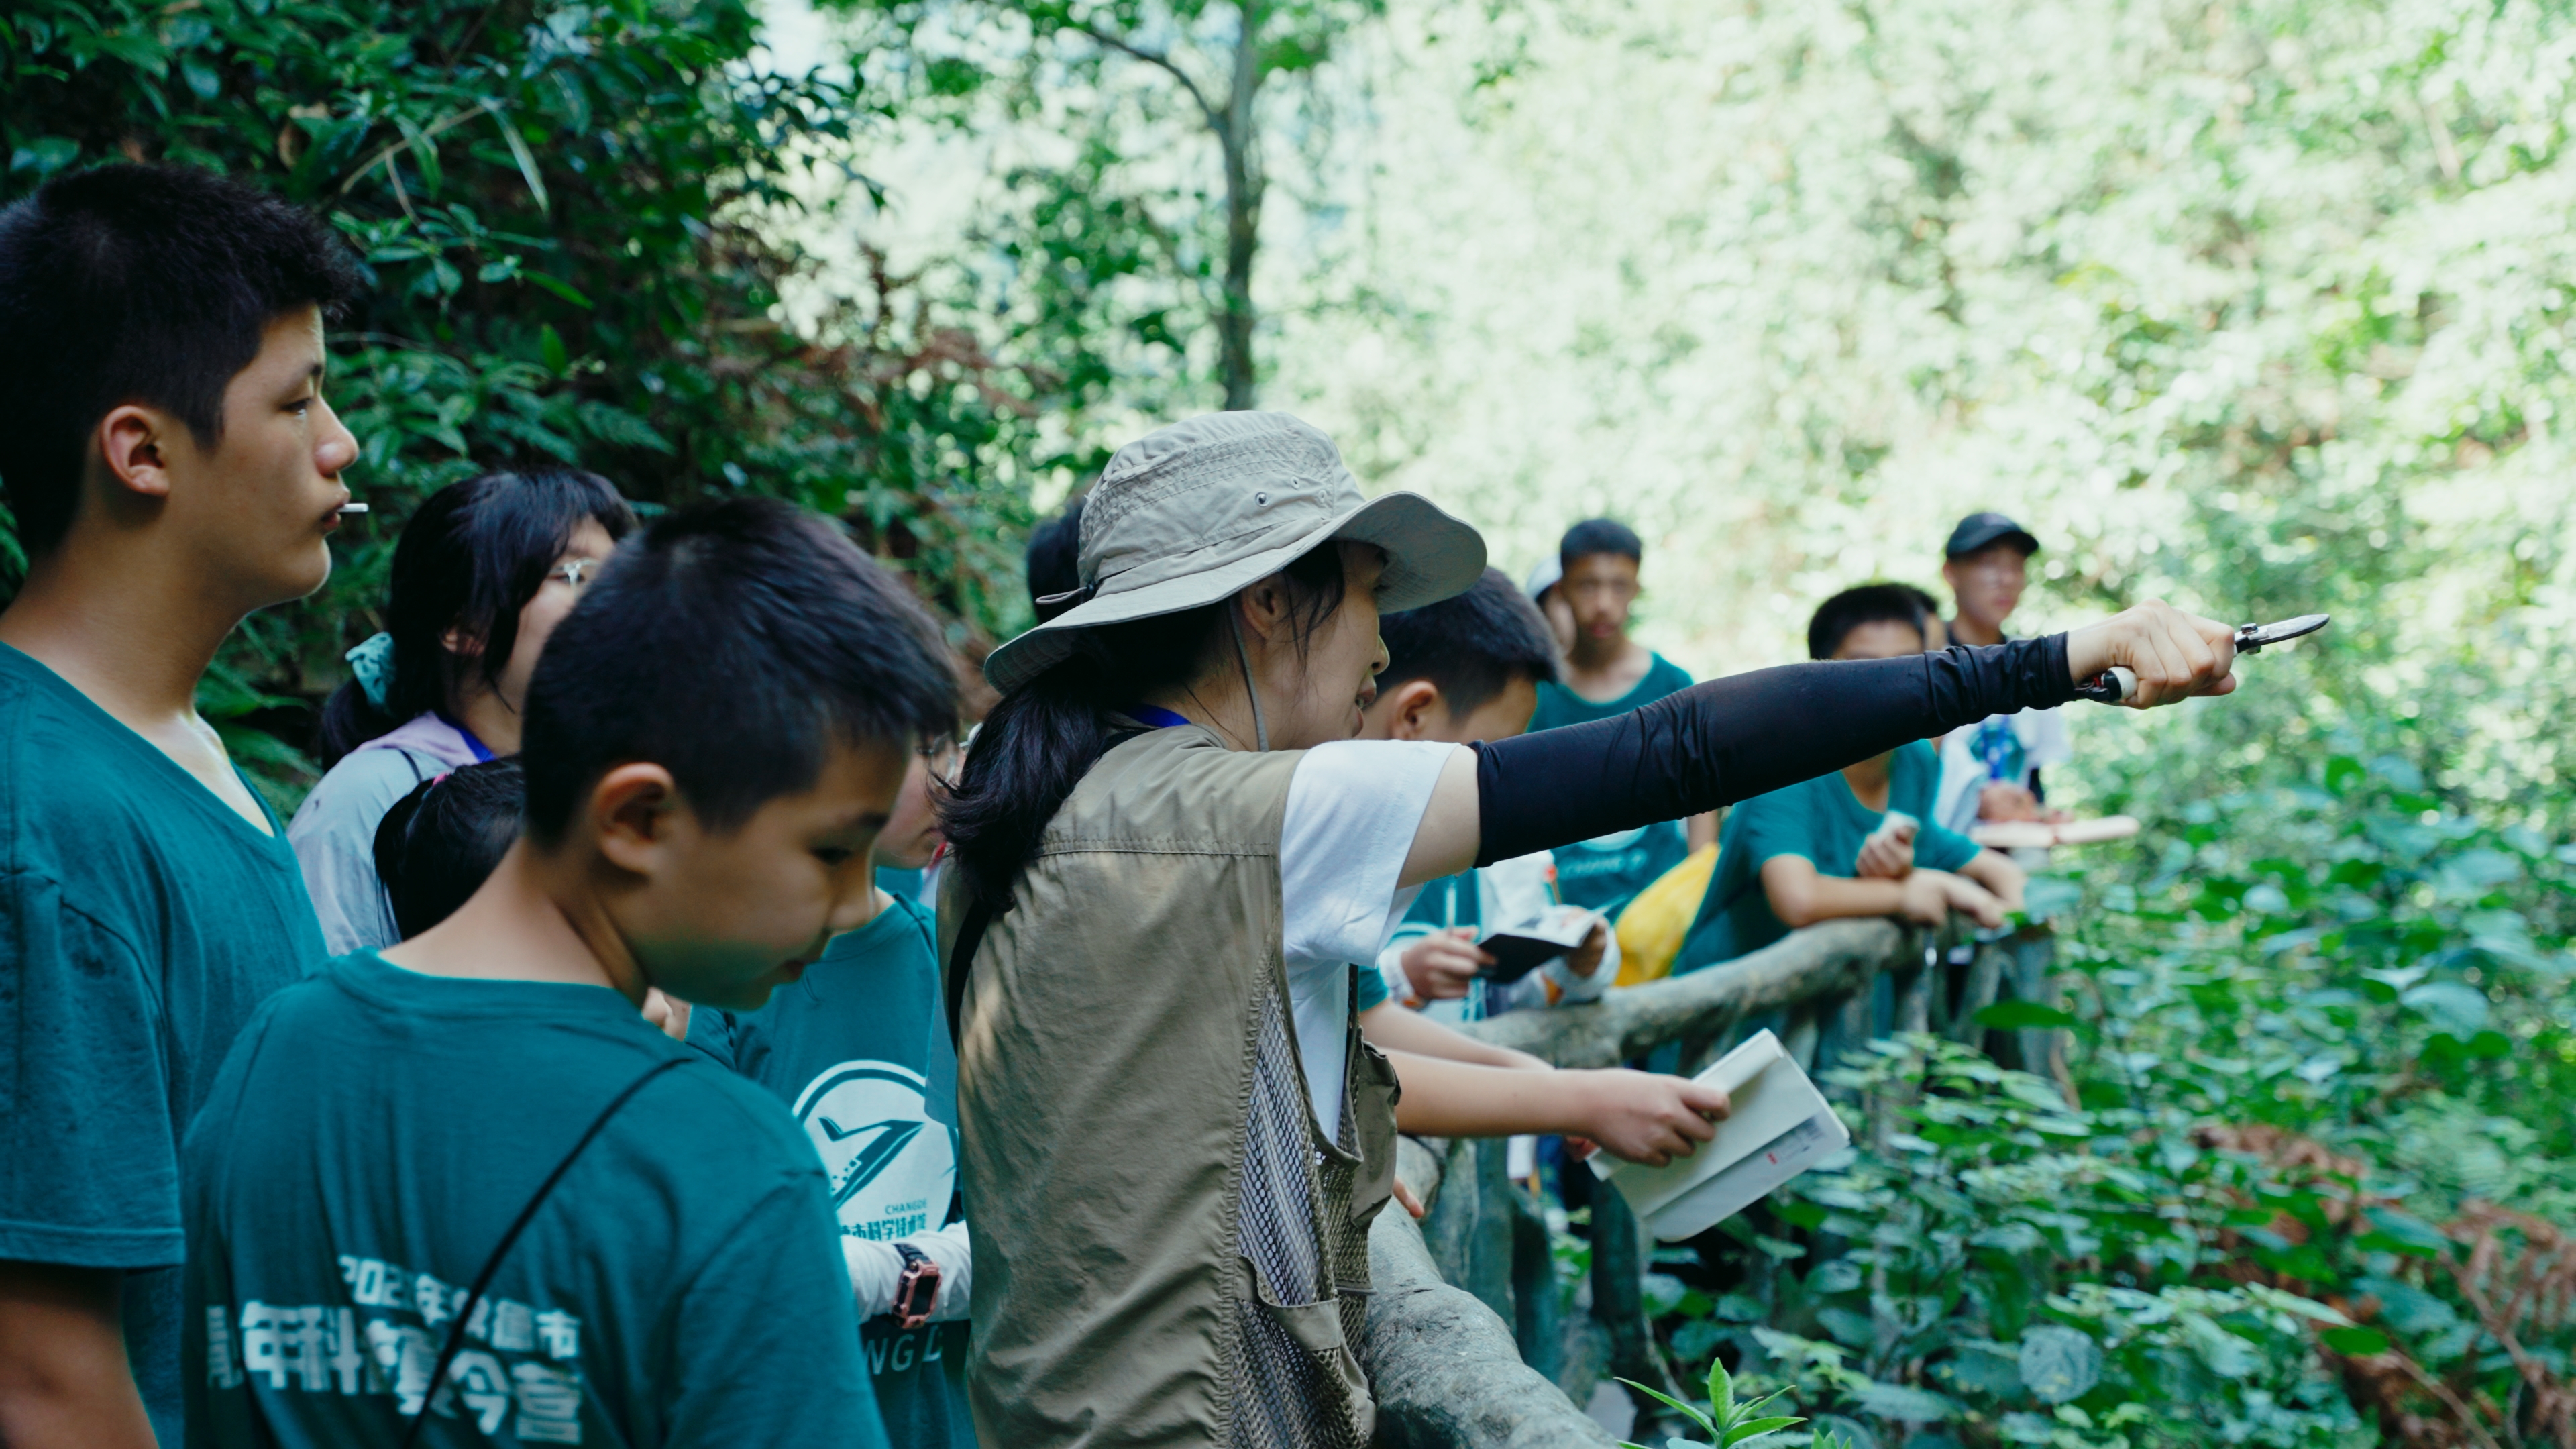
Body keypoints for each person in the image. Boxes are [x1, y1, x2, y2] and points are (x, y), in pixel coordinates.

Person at [938, 410, 2242, 1447]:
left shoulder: (1062, 794)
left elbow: (1247, 1080)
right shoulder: (1239, 812)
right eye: (1365, 598)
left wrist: (1563, 1091)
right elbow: (1671, 751)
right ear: (1270, 603)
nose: (1382, 653)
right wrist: (2055, 658)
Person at [182, 498, 957, 1448]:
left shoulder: (276, 1050)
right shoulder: (727, 1168)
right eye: (831, 852)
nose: (849, 908)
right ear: (637, 821)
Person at [0, 162, 360, 1449]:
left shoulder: (183, 754)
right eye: (297, 400)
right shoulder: (43, 822)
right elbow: (42, 1377)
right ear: (142, 451)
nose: (341, 444)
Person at [687, 738, 979, 1448]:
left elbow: (1028, 1228)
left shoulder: (956, 954)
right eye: (927, 747)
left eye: (956, 739)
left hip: (935, 1417)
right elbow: (719, 1250)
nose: (956, 773)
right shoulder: (712, 982)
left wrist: (886, 1275)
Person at [290, 468, 636, 953]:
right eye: (576, 575)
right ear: (464, 627)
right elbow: (335, 1011)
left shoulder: (619, 781)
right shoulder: (367, 799)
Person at [1673, 585, 2029, 975]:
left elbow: (1940, 845)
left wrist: (2004, 894)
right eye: (1863, 667)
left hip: (1835, 1009)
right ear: (1817, 674)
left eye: (1908, 665)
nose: (1890, 685)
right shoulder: (1785, 767)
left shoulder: (1913, 758)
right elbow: (1797, 898)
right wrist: (1906, 892)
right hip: (1731, 1009)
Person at [1529, 517, 1714, 879]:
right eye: (1587, 586)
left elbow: (1702, 797)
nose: (1603, 604)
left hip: (1658, 905)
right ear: (1562, 589)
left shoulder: (1672, 685)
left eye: (1619, 586)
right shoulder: (1534, 693)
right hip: (1563, 910)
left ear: (1636, 589)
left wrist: (1696, 884)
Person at [1934, 511, 2072, 834]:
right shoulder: (1918, 661)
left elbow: (2033, 774)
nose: (2006, 578)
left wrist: (2038, 812)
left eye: (2016, 565)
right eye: (1988, 563)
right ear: (1951, 572)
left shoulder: (2036, 665)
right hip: (1934, 856)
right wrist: (1973, 799)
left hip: (2013, 851)